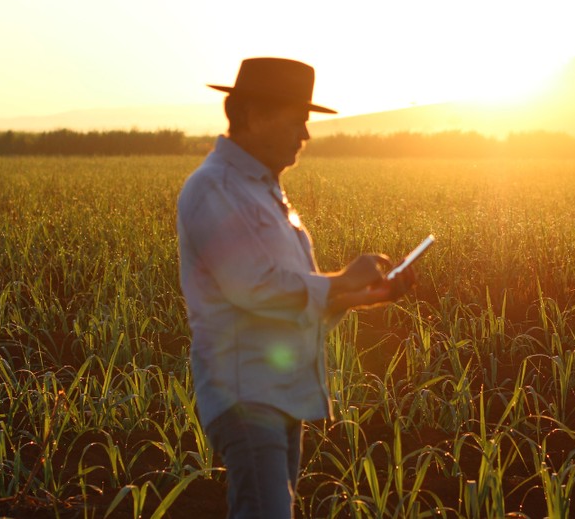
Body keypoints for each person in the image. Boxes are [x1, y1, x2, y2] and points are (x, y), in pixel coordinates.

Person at [176, 57, 415, 519]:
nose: (305, 135)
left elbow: (294, 299)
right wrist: (344, 278)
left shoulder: (262, 190)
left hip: (281, 393)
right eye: (298, 120)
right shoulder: (215, 189)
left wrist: (367, 295)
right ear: (254, 115)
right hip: (246, 394)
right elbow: (255, 288)